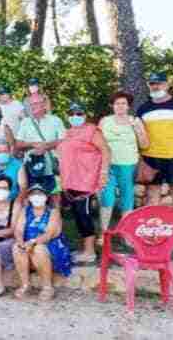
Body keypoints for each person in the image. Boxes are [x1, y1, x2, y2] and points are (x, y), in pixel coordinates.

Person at [137, 72, 173, 248]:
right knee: (152, 196)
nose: (156, 86)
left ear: (167, 84)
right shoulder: (143, 109)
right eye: (152, 83)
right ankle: (151, 234)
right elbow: (140, 134)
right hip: (151, 158)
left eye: (159, 83)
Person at [56, 102, 110, 263]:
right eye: (72, 114)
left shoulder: (92, 130)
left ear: (85, 116)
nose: (75, 117)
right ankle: (84, 248)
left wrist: (104, 172)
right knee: (76, 215)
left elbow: (106, 150)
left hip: (85, 180)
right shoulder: (68, 132)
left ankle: (90, 251)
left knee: (83, 214)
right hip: (70, 180)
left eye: (79, 114)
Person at [98, 92, 150, 236]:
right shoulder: (104, 121)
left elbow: (145, 145)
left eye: (123, 103)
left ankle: (126, 234)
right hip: (107, 166)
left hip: (128, 165)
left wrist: (138, 130)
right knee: (107, 198)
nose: (120, 106)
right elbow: (97, 143)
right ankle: (104, 233)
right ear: (112, 106)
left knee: (127, 199)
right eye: (117, 103)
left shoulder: (136, 121)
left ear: (128, 106)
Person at [12, 184, 73, 300]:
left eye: (40, 194)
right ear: (29, 197)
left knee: (39, 248)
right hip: (28, 246)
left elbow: (49, 234)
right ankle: (25, 285)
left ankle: (47, 287)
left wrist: (32, 242)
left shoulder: (53, 212)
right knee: (17, 247)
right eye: (33, 194)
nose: (36, 197)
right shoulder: (25, 211)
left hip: (51, 247)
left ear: (46, 197)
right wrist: (21, 242)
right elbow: (18, 230)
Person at [16, 93, 65, 200]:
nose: (33, 106)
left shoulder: (56, 120)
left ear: (44, 105)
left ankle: (55, 215)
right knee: (31, 194)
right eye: (31, 104)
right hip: (31, 165)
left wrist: (47, 146)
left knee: (54, 195)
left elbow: (64, 140)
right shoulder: (25, 122)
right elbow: (18, 144)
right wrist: (32, 144)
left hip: (52, 165)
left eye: (36, 103)